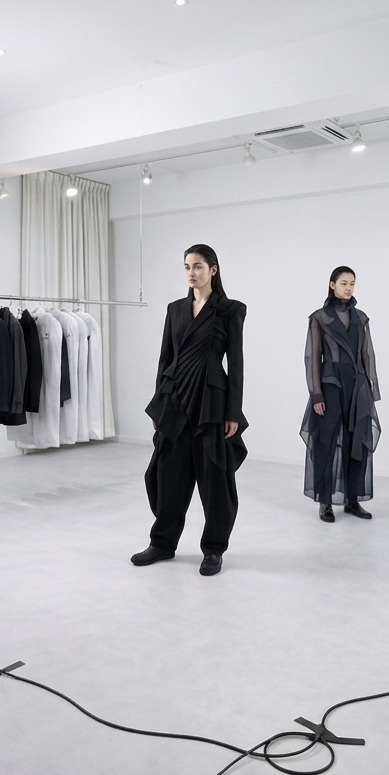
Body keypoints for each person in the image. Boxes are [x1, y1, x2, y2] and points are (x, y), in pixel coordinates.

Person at [132, 244, 247, 577]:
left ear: (213, 270)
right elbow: (165, 359)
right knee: (169, 475)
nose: (191, 273)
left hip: (211, 402)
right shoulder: (175, 309)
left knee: (215, 478)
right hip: (175, 398)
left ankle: (213, 549)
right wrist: (159, 405)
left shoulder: (231, 310)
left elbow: (236, 363)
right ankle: (162, 544)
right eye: (186, 266)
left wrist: (233, 412)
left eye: (197, 266)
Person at [300, 266, 381, 523]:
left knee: (357, 442)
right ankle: (325, 501)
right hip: (330, 385)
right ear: (332, 284)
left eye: (352, 283)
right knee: (325, 442)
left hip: (357, 387)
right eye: (344, 283)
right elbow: (313, 358)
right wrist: (316, 395)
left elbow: (367, 355)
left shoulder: (361, 318)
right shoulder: (320, 318)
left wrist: (370, 389)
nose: (348, 287)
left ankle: (352, 500)